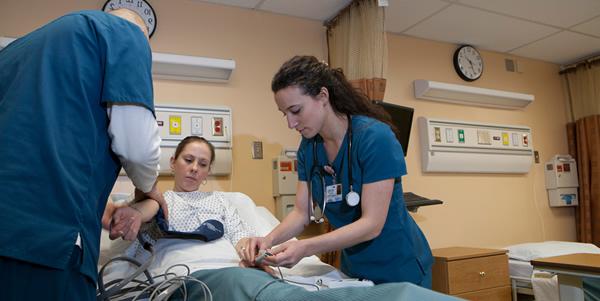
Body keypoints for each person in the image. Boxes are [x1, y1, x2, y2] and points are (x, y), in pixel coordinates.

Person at [0, 9, 168, 301]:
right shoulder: (126, 34)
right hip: (46, 244)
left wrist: (97, 208)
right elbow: (137, 148)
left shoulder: (13, 53)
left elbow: (31, 145)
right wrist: (150, 190)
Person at [239, 55, 434, 286]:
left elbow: (372, 224)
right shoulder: (308, 148)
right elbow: (301, 214)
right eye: (285, 114)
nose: (290, 123)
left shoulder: (375, 138)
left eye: (296, 110)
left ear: (323, 96)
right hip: (355, 268)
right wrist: (266, 240)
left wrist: (305, 247)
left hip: (400, 266)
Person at [107, 136, 254, 259]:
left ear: (208, 172)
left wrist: (251, 255)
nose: (195, 168)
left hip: (225, 264)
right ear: (173, 162)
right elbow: (148, 209)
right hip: (186, 269)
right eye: (188, 160)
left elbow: (239, 235)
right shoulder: (163, 201)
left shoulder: (221, 201)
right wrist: (136, 213)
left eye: (203, 164)